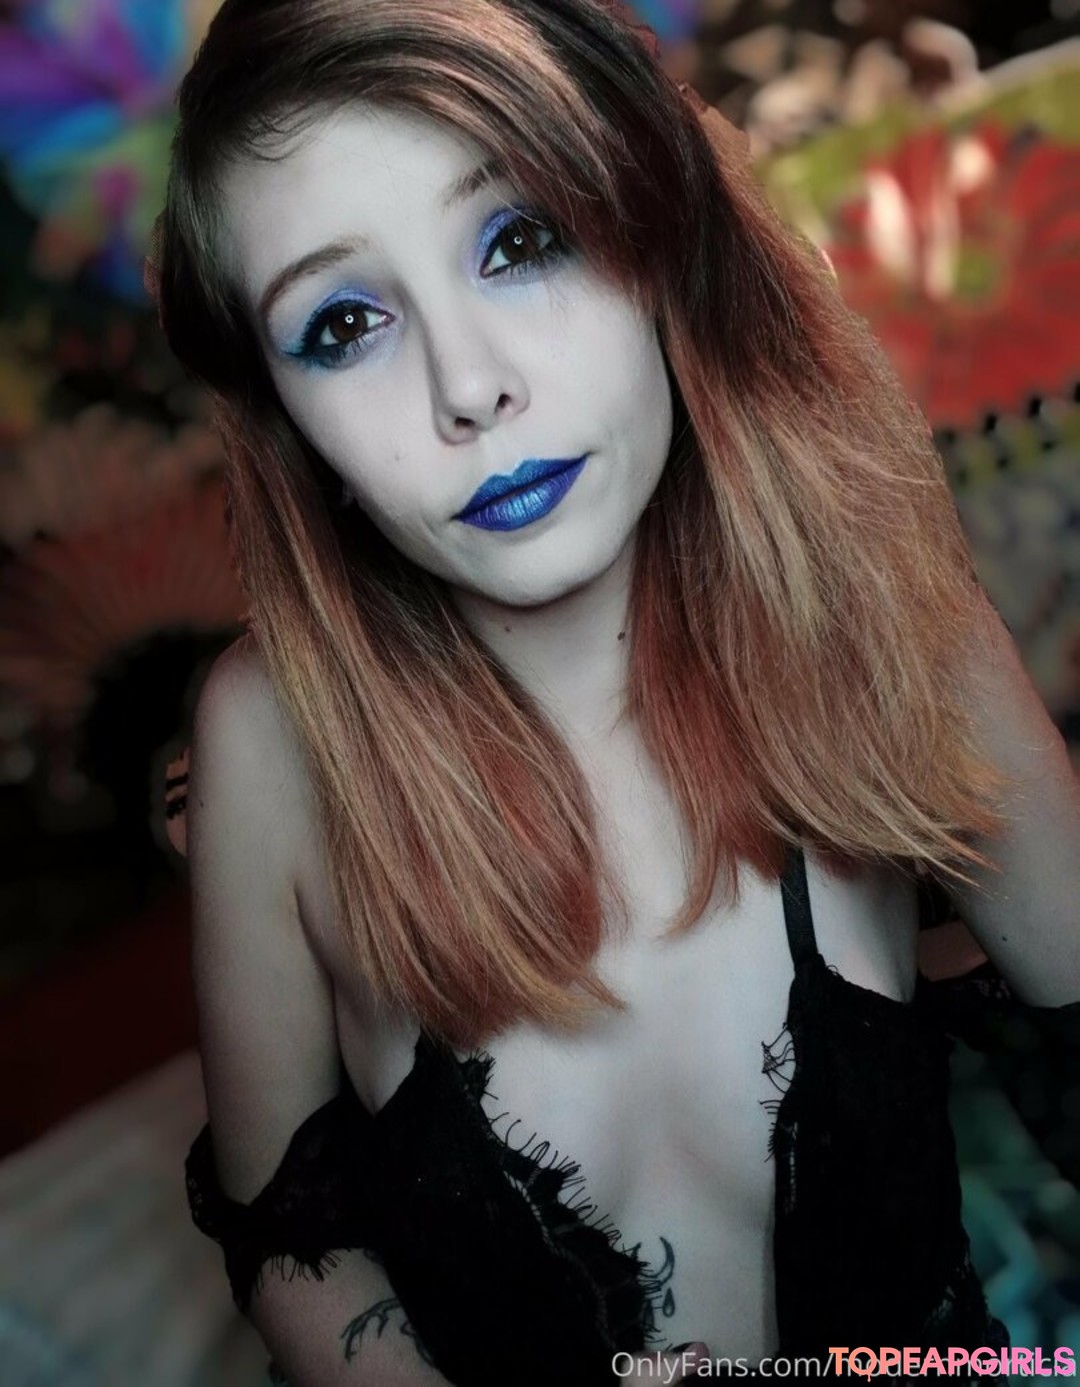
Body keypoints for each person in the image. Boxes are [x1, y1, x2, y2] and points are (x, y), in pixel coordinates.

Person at [151, 0, 1080, 1382]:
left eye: (521, 240)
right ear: (287, 420)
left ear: (657, 233)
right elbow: (295, 1237)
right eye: (343, 324)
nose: (471, 388)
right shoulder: (272, 739)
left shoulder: (882, 612)